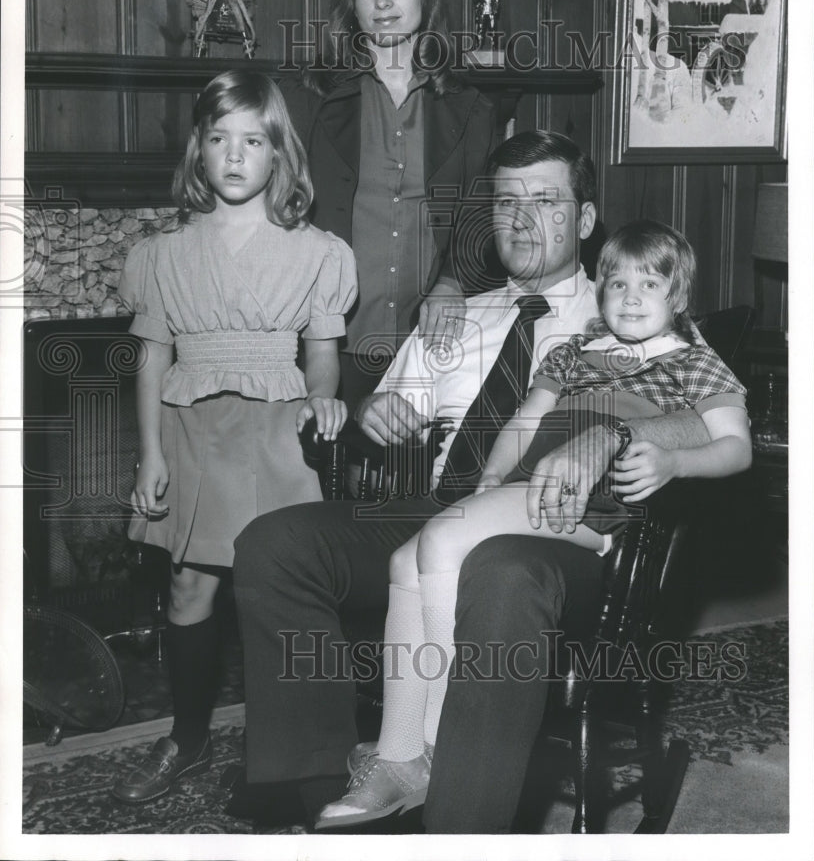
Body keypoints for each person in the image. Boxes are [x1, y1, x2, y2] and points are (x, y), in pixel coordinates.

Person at [230, 131, 712, 831]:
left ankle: (461, 824)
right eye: (506, 202)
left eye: (545, 202)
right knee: (275, 543)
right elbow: (381, 413)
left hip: (556, 532)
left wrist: (616, 434)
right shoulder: (456, 317)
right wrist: (379, 410)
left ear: (583, 221)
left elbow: (710, 418)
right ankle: (319, 785)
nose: (520, 219)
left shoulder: (631, 309)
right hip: (436, 508)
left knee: (499, 570)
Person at [314, 219, 751, 828]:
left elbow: (737, 448)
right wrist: (490, 480)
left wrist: (675, 458)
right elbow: (523, 421)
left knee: (440, 539)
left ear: (677, 297)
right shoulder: (574, 353)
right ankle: (397, 752)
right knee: (401, 562)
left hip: (594, 506)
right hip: (525, 488)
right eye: (616, 282)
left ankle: (442, 742)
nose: (629, 296)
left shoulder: (694, 365)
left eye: (648, 284)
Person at [111, 70, 357, 805]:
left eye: (253, 140)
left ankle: (280, 755)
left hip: (276, 432)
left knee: (272, 592)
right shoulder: (162, 252)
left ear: (279, 154)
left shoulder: (316, 251)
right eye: (219, 139)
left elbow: (321, 350)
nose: (235, 154)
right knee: (189, 588)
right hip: (190, 430)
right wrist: (150, 451)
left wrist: (323, 400)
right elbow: (152, 356)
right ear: (199, 152)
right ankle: (186, 740)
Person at [280, 0, 497, 410]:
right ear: (351, 4)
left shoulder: (469, 106)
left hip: (430, 342)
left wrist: (453, 281)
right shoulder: (309, 98)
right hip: (330, 341)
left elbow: (479, 212)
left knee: (419, 481)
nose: (383, 3)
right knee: (334, 478)